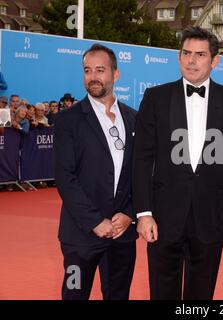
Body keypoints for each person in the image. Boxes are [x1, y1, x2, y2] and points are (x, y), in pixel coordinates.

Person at [132, 26, 223, 300]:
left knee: (201, 295)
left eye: (200, 54)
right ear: (178, 56)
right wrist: (143, 213)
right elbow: (141, 158)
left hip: (210, 218)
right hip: (162, 219)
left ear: (215, 60)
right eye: (186, 53)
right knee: (162, 292)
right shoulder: (155, 98)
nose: (191, 60)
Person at [54, 44, 137, 300]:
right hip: (80, 238)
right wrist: (94, 222)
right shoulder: (68, 120)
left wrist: (130, 214)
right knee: (74, 294)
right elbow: (65, 178)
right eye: (87, 70)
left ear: (116, 74)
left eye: (100, 70)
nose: (93, 77)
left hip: (122, 235)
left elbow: (143, 173)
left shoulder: (135, 119)